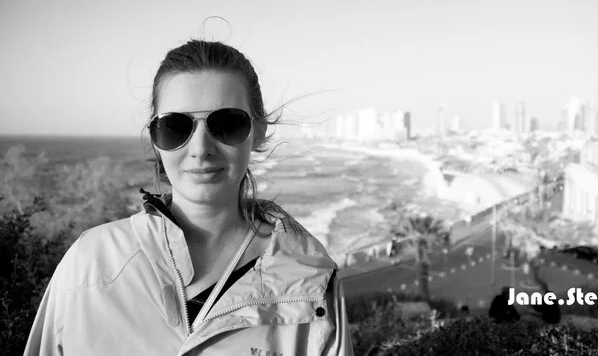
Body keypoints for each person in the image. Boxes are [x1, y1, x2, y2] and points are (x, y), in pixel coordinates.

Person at [24, 40, 354, 355]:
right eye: (175, 127)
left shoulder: (310, 283)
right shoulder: (90, 264)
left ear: (259, 131)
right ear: (155, 137)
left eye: (227, 124)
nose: (200, 149)